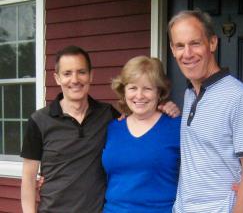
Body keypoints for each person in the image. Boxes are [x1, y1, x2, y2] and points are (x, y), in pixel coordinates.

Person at [20, 46, 180, 213]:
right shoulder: (39, 121)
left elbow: (140, 122)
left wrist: (166, 108)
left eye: (81, 72)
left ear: (91, 75)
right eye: (67, 73)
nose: (75, 80)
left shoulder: (108, 116)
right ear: (57, 78)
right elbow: (29, 179)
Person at [168, 10, 243, 213]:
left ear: (212, 43)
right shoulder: (189, 94)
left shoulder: (239, 96)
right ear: (172, 49)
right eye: (180, 45)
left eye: (195, 43)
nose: (187, 53)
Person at [102, 56, 181, 213]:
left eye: (147, 88)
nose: (139, 95)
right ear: (123, 91)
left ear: (159, 92)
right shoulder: (113, 128)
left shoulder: (176, 127)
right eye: (133, 88)